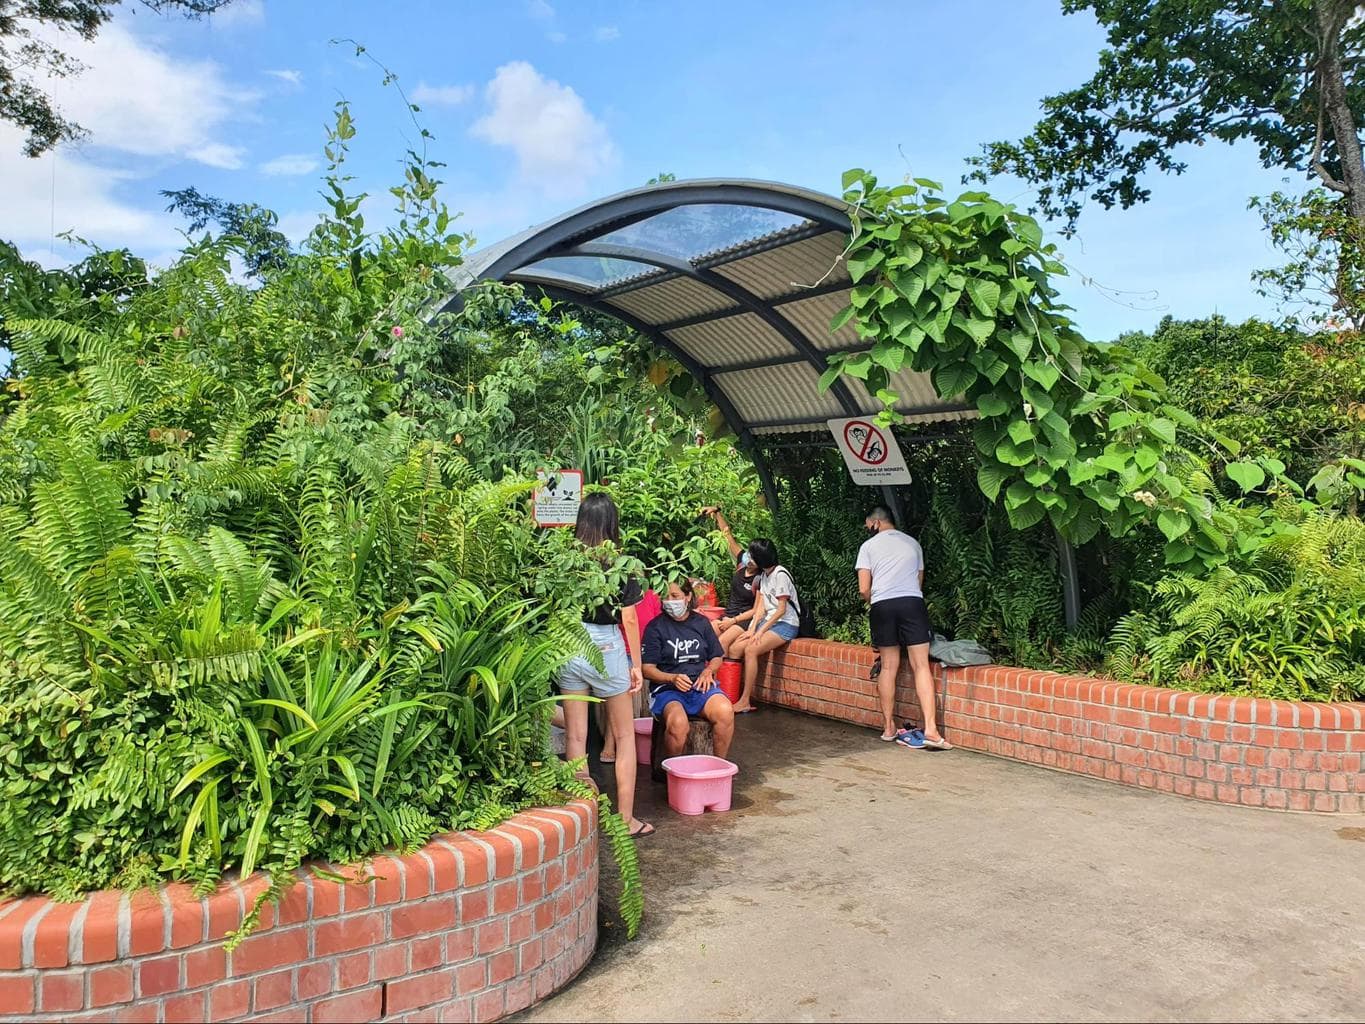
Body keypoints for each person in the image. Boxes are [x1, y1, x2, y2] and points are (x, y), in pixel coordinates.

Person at [557, 493, 654, 837]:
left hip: (572, 642)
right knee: (625, 736)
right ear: (613, 523)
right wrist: (637, 665)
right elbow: (629, 619)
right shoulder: (622, 564)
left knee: (576, 735)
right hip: (608, 645)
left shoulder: (568, 560)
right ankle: (626, 820)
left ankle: (577, 816)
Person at [856, 505, 952, 750]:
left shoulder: (868, 547)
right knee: (921, 666)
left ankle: (889, 727)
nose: (867, 528)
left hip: (883, 606)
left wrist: (876, 601)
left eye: (868, 524)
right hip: (912, 603)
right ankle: (931, 729)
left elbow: (864, 589)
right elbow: (919, 582)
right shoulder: (913, 543)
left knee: (889, 666)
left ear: (875, 522)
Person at [642, 580, 735, 760]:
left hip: (700, 687)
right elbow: (647, 669)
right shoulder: (655, 627)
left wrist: (709, 671)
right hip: (667, 690)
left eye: (675, 596)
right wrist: (672, 678)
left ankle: (718, 765)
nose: (670, 601)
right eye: (666, 597)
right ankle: (674, 773)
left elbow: (716, 655)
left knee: (725, 711)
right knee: (678, 724)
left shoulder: (701, 623)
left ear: (688, 596)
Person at [728, 538, 799, 714]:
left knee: (751, 650)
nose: (747, 557)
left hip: (786, 624)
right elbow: (761, 607)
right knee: (735, 647)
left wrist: (761, 631)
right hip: (769, 621)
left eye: (751, 554)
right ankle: (728, 696)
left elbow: (781, 610)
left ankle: (745, 700)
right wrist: (752, 629)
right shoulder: (764, 576)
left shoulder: (780, 575)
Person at [702, 506, 764, 656]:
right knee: (705, 636)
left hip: (743, 620)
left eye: (755, 559)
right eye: (750, 555)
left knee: (723, 642)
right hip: (728, 615)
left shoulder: (760, 578)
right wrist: (717, 513)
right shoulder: (741, 562)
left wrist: (733, 621)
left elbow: (756, 610)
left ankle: (718, 679)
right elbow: (727, 535)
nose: (750, 560)